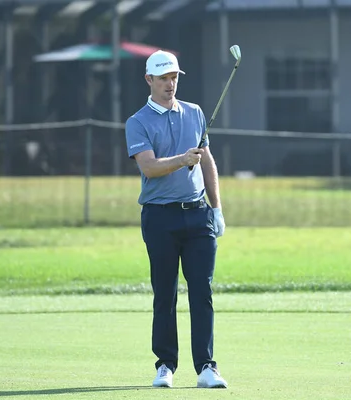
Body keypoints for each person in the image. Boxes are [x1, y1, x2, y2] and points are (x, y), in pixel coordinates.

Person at [124, 50, 228, 389]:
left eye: (174, 77)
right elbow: (149, 168)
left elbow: (207, 161)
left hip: (198, 216)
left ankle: (207, 367)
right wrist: (183, 159)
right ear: (149, 80)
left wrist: (217, 208)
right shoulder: (137, 122)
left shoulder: (195, 113)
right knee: (165, 292)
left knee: (202, 291)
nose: (171, 84)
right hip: (159, 219)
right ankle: (165, 365)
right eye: (164, 78)